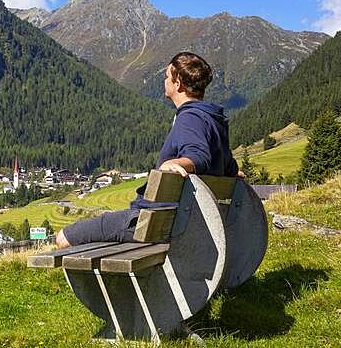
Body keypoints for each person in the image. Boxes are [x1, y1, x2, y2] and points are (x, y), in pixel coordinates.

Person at [56, 52, 239, 248]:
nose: (165, 80)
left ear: (178, 84)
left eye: (167, 76)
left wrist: (175, 163)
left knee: (63, 237)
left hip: (153, 223)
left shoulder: (190, 118)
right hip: (187, 221)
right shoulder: (213, 119)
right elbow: (229, 166)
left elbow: (198, 156)